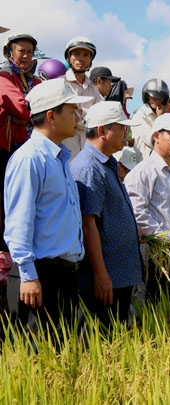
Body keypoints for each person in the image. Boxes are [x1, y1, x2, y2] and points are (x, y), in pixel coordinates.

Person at [5, 78, 91, 341]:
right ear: (52, 116)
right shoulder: (30, 158)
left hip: (63, 275)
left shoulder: (60, 157)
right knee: (40, 361)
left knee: (65, 357)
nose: (78, 115)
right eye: (71, 109)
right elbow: (19, 221)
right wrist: (29, 276)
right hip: (39, 277)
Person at [69, 101, 143, 328]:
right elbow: (87, 225)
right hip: (105, 279)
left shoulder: (107, 163)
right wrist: (101, 275)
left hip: (118, 275)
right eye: (122, 128)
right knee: (100, 342)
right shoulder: (88, 168)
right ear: (103, 131)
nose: (126, 134)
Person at [124, 113, 170, 300]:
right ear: (156, 135)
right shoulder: (143, 172)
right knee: (154, 309)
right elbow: (138, 214)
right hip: (155, 257)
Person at [0, 33, 43, 269]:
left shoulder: (34, 81)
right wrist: (28, 114)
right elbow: (22, 107)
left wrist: (26, 115)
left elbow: (42, 105)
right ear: (10, 53)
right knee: (7, 203)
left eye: (30, 51)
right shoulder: (4, 76)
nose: (26, 56)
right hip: (6, 150)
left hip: (29, 149)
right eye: (21, 51)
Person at [62, 36, 102, 159]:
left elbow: (100, 115)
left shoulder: (92, 88)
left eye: (86, 55)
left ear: (91, 60)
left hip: (88, 144)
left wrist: (81, 112)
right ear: (69, 57)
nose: (81, 58)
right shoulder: (61, 83)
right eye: (77, 54)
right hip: (65, 141)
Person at [131, 78, 170, 163]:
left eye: (160, 98)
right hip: (145, 164)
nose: (157, 101)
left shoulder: (162, 114)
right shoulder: (141, 116)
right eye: (153, 97)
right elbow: (154, 141)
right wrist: (160, 119)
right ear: (147, 96)